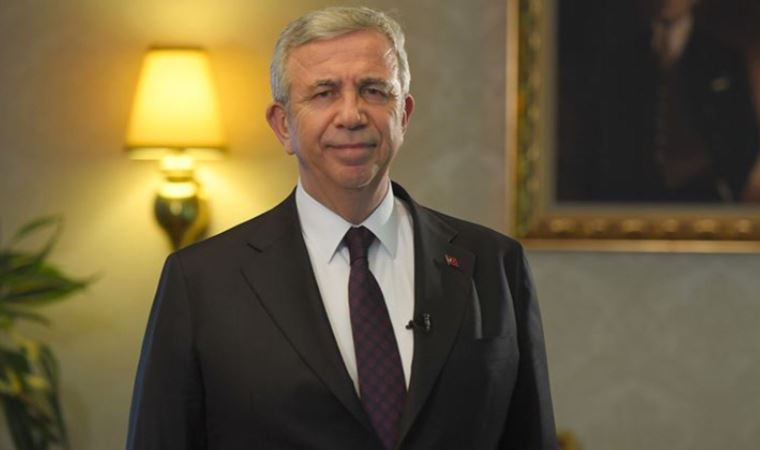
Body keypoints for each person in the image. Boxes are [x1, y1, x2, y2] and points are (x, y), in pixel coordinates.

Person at [127, 6, 556, 450]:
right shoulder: (200, 282)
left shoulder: (494, 263)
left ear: (403, 114)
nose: (351, 115)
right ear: (283, 125)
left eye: (373, 90)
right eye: (324, 93)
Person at [557, 0, 759, 202]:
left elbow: (745, 134)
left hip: (703, 194)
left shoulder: (724, 57)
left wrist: (728, 186)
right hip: (633, 196)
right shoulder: (619, 57)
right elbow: (597, 136)